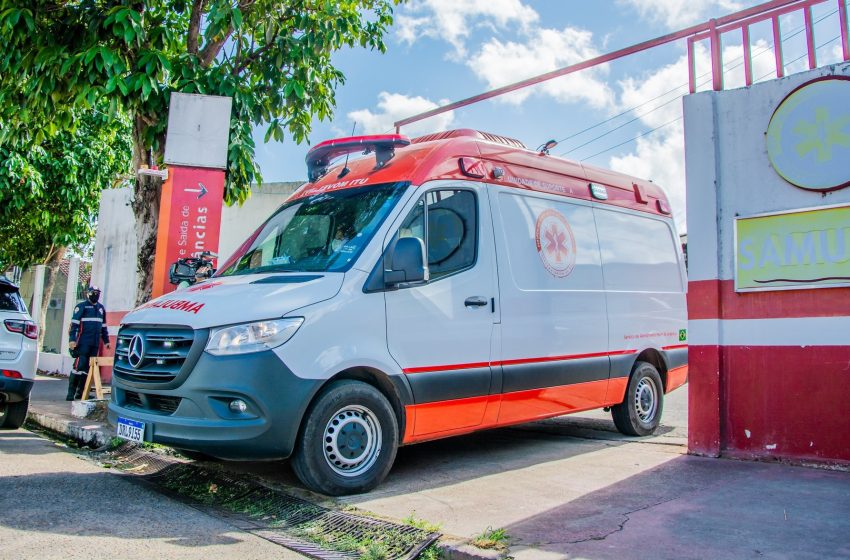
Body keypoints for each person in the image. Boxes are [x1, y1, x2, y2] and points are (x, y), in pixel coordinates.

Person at [66, 285, 110, 401]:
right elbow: (74, 325)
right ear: (89, 293)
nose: (96, 294)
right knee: (79, 367)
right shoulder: (81, 307)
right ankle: (71, 393)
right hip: (82, 343)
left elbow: (103, 327)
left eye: (98, 292)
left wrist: (106, 341)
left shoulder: (101, 309)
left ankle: (81, 393)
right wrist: (72, 340)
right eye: (94, 292)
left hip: (94, 344)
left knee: (87, 369)